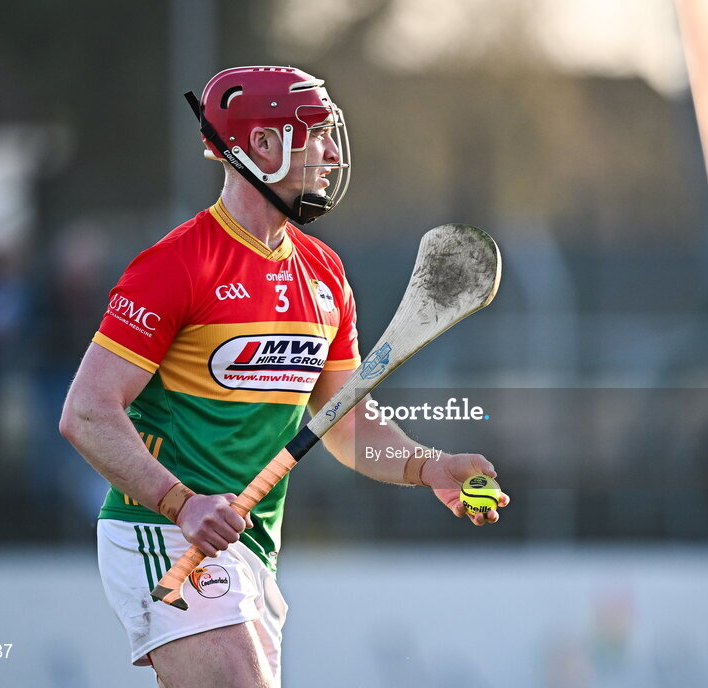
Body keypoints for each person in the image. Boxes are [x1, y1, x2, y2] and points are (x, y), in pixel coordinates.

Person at [59, 65, 509, 688]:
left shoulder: (324, 275)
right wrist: (180, 503)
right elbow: (86, 412)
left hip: (251, 553)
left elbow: (345, 422)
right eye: (314, 135)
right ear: (263, 147)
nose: (329, 153)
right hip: (162, 531)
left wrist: (427, 465)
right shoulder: (176, 266)